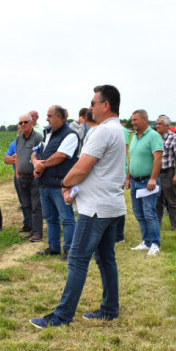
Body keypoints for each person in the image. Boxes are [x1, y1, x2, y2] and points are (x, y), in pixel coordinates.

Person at [30, 85, 127, 328]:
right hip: (111, 205)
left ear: (106, 105)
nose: (90, 106)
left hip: (95, 208)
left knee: (77, 259)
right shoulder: (118, 130)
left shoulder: (102, 132)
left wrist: (64, 184)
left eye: (94, 102)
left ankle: (62, 315)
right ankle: (110, 309)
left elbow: (82, 167)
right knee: (106, 259)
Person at [32, 105, 79, 259]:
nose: (47, 119)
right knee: (50, 218)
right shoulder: (48, 133)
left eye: (49, 115)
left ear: (59, 116)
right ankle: (53, 247)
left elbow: (61, 155)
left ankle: (69, 250)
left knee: (66, 219)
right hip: (44, 184)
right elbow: (35, 151)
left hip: (59, 185)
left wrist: (41, 165)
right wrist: (35, 163)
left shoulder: (70, 135)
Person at [125, 109, 163, 255]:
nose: (133, 122)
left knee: (149, 213)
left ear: (144, 120)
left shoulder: (153, 136)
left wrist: (153, 178)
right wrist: (128, 178)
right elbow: (132, 159)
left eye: (135, 120)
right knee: (139, 213)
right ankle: (146, 241)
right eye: (132, 120)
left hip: (147, 182)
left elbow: (158, 159)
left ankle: (155, 243)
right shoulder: (135, 137)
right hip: (135, 182)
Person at [14, 113, 44, 241]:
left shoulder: (37, 138)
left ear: (31, 123)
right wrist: (17, 173)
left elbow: (41, 156)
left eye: (25, 122)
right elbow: (17, 156)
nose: (23, 125)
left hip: (34, 178)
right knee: (26, 205)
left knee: (36, 206)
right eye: (20, 123)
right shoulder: (19, 139)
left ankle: (38, 232)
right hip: (22, 178)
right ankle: (32, 230)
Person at [154, 114, 176, 231]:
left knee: (171, 201)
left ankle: (175, 226)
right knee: (157, 201)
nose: (157, 126)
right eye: (157, 124)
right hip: (157, 173)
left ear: (167, 126)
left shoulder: (174, 138)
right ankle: (156, 225)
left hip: (168, 173)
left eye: (160, 124)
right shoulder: (155, 138)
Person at [3, 121, 29, 233]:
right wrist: (20, 158)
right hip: (18, 175)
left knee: (33, 201)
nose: (20, 130)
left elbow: (32, 158)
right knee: (22, 201)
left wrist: (17, 157)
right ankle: (27, 224)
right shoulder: (13, 144)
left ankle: (35, 225)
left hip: (31, 175)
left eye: (22, 127)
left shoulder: (33, 141)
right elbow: (6, 160)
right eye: (18, 128)